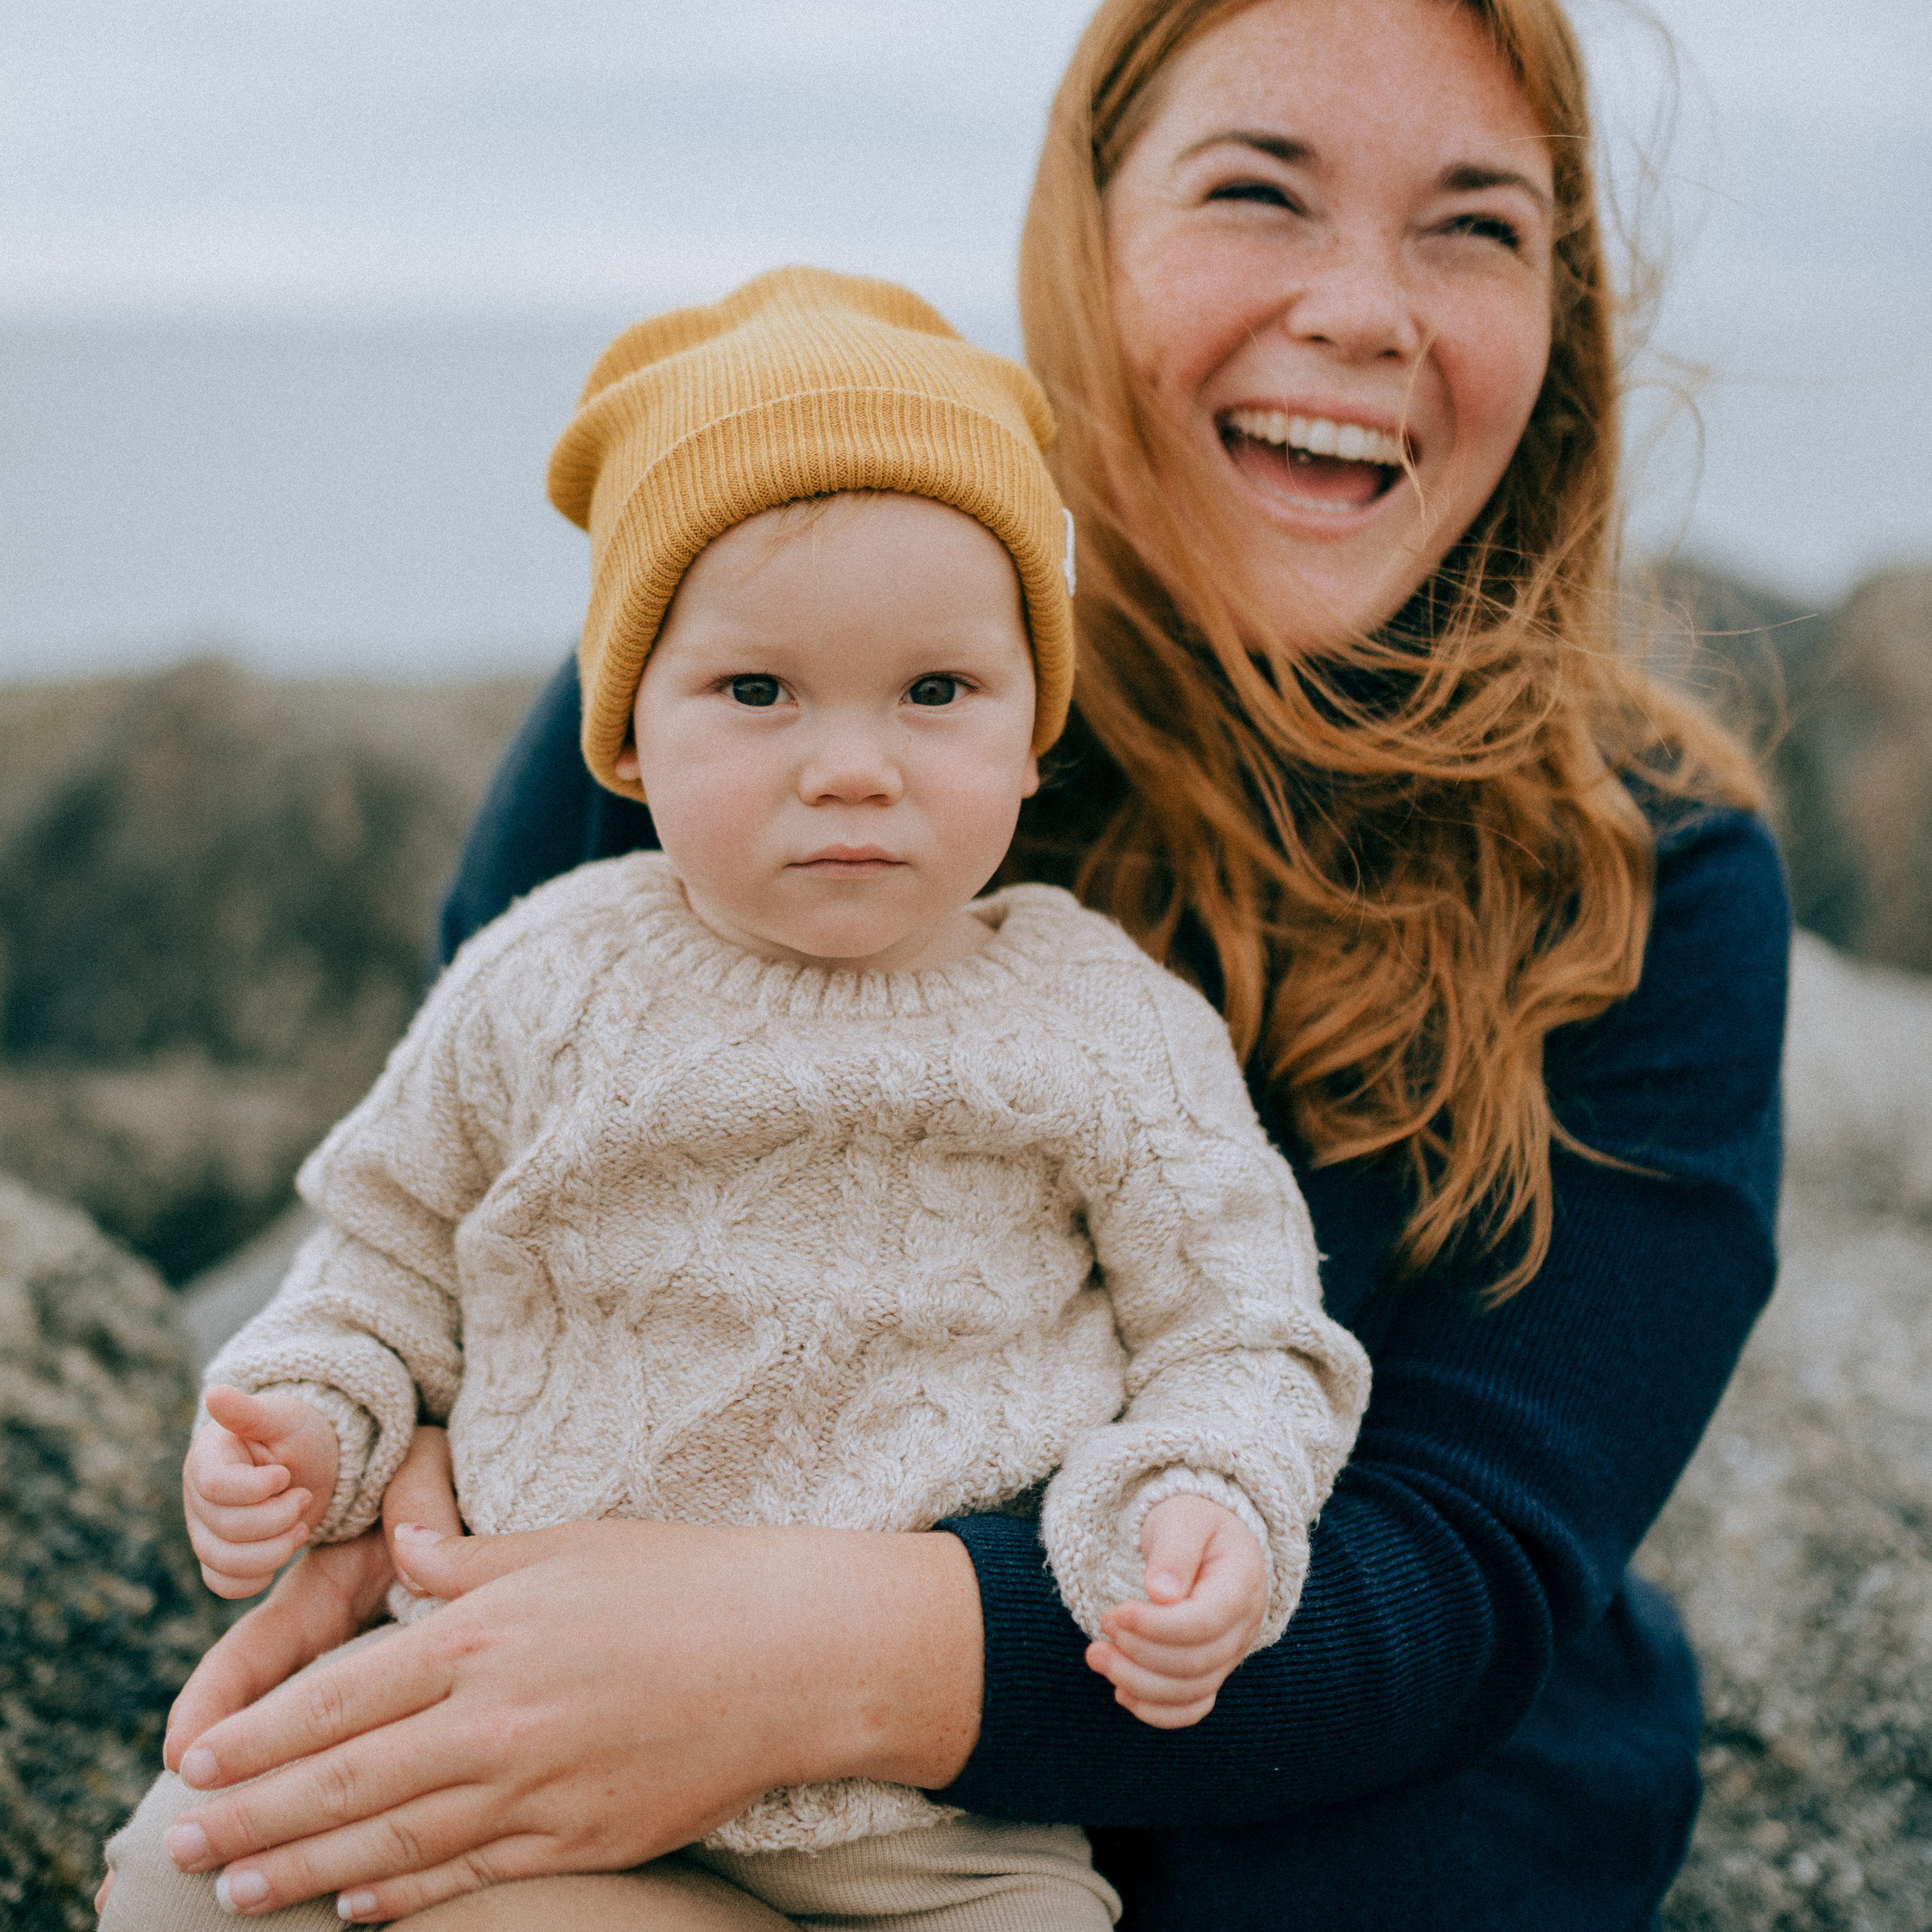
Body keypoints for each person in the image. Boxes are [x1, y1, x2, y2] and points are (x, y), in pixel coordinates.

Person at [121, 0, 1789, 1927]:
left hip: (1316, 1833)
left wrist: (787, 1657)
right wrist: (388, 1475)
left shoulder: (1650, 876)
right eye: (1257, 193)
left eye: (1472, 224)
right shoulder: (743, 665)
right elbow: (469, 1209)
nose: (1360, 309)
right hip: (642, 1828)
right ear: (1082, 239)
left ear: (1559, 310)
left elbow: (1455, 1567)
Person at [97, 268, 1370, 1932]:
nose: (851, 765)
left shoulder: (1105, 1023)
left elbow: (1241, 1328)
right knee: (178, 1876)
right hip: (517, 1728)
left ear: (1033, 732)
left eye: (936, 692)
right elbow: (381, 1260)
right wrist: (311, 1417)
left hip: (931, 1831)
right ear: (627, 731)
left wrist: (1204, 1499)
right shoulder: (542, 974)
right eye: (758, 692)